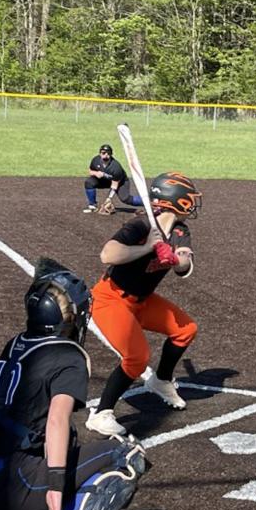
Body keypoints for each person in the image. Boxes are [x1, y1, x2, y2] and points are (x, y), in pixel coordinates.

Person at [0, 259, 147, 510]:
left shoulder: (16, 343)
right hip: (16, 486)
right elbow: (56, 419)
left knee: (61, 436)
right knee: (127, 454)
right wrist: (55, 488)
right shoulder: (68, 355)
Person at [85, 172, 201, 437]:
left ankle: (160, 380)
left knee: (186, 329)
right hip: (111, 298)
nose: (193, 203)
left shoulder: (180, 230)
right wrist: (148, 247)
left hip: (143, 301)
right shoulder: (140, 226)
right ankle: (102, 413)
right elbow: (108, 254)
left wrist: (173, 258)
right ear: (177, 201)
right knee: (136, 358)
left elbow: (184, 266)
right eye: (189, 198)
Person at [83, 144, 144, 215]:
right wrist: (96, 173)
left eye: (108, 153)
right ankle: (92, 206)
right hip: (105, 180)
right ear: (100, 153)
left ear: (111, 154)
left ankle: (148, 202)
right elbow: (90, 171)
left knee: (125, 199)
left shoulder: (116, 167)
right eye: (103, 153)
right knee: (89, 182)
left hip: (121, 182)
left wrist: (109, 198)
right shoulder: (96, 160)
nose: (105, 155)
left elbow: (114, 185)